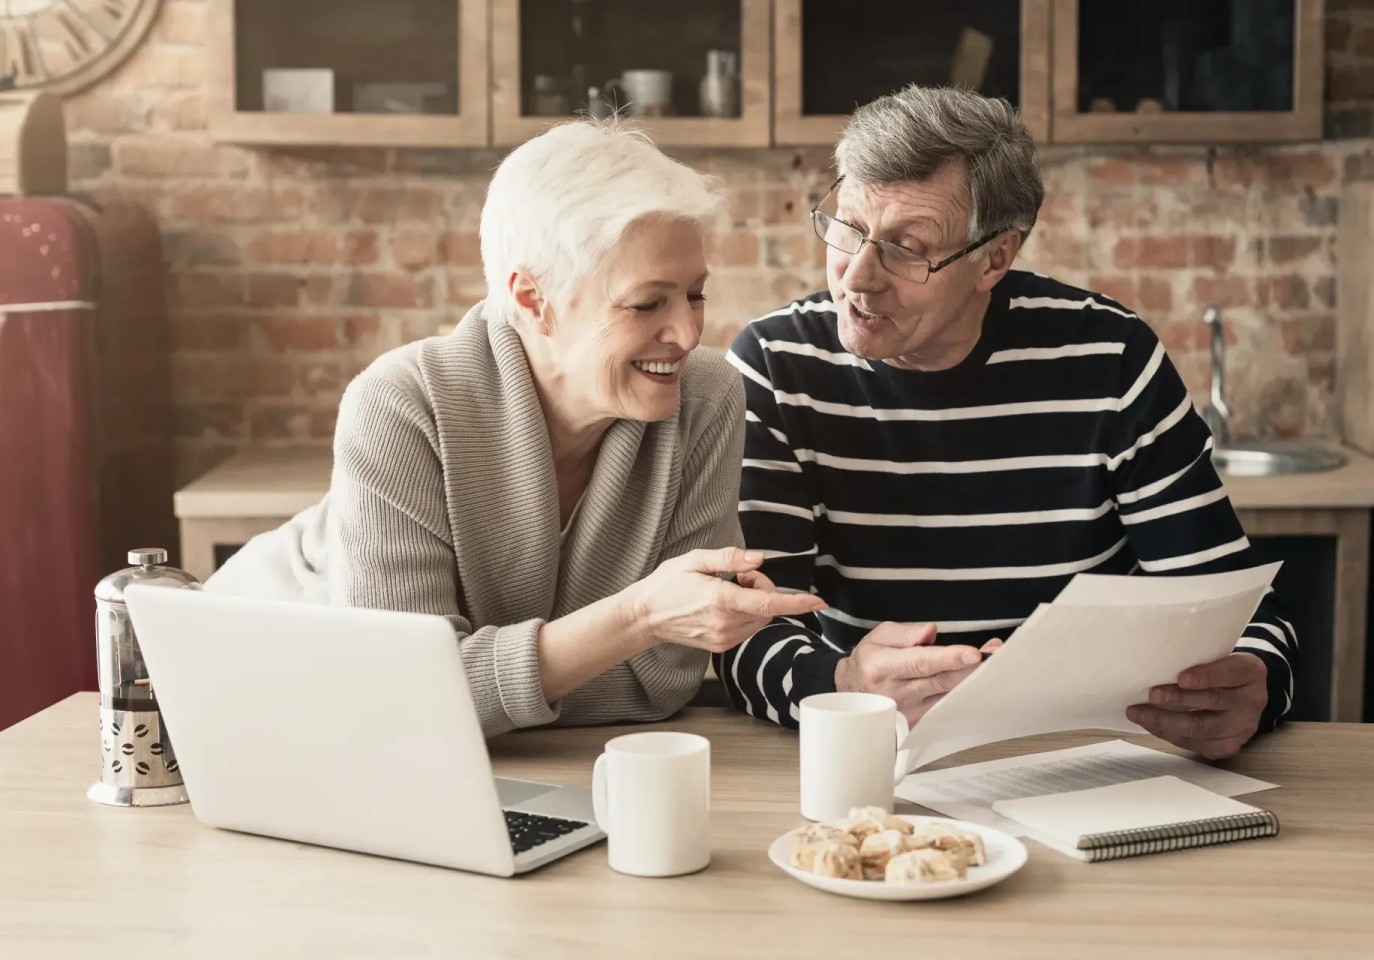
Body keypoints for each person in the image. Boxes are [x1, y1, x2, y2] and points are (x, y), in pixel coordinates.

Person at [718, 87, 1295, 760]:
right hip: (876, 756)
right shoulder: (776, 365)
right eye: (848, 227)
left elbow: (1233, 606)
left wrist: (1257, 679)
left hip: (1087, 752)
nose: (858, 277)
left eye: (907, 248)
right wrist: (841, 683)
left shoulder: (1109, 358)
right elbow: (744, 630)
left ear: (995, 258)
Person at [207, 120, 824, 735]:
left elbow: (661, 683)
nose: (688, 334)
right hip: (250, 699)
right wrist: (636, 619)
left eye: (695, 295)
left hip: (473, 755)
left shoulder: (706, 397)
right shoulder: (399, 404)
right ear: (533, 301)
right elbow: (400, 697)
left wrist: (470, 682)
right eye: (646, 303)